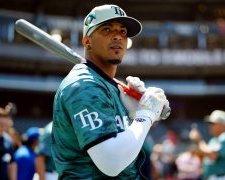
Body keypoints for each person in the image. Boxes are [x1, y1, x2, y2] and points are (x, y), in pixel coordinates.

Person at [51, 4, 170, 179]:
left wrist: (133, 115)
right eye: (107, 29)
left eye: (123, 32)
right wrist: (145, 114)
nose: (117, 36)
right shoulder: (85, 85)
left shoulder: (108, 87)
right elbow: (111, 163)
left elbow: (124, 146)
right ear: (87, 41)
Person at [189, 110, 225, 180]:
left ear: (222, 125)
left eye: (213, 123)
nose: (210, 126)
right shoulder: (213, 140)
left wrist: (199, 140)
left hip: (224, 177)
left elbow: (213, 155)